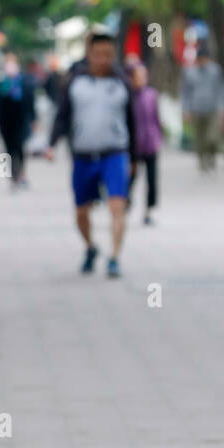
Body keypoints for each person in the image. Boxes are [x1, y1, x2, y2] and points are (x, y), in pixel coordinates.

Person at [46, 27, 136, 278]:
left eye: (108, 54)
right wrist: (52, 144)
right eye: (98, 54)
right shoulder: (75, 80)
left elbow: (133, 123)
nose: (103, 59)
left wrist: (135, 158)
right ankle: (90, 247)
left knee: (118, 205)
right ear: (89, 53)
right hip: (83, 156)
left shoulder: (122, 82)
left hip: (114, 154)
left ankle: (115, 257)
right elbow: (62, 116)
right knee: (81, 212)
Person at [0, 53, 36, 186]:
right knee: (8, 149)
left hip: (21, 121)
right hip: (5, 123)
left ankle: (21, 173)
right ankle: (11, 175)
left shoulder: (24, 83)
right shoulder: (0, 85)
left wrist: (34, 120)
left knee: (20, 147)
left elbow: (30, 103)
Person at [181, 43, 224, 171]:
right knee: (199, 138)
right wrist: (185, 110)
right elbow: (185, 93)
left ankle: (212, 156)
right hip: (196, 109)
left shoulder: (216, 71)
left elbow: (221, 90)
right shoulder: (190, 73)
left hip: (212, 109)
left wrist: (222, 107)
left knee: (212, 137)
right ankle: (202, 162)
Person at [128, 61, 162, 224]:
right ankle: (125, 204)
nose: (141, 79)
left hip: (151, 144)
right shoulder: (128, 96)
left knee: (152, 180)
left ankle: (149, 210)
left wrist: (158, 136)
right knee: (130, 179)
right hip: (133, 147)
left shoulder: (152, 95)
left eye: (143, 76)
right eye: (137, 76)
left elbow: (156, 118)